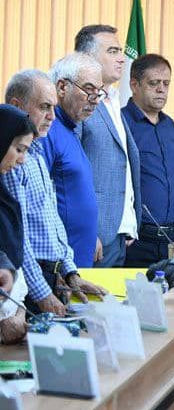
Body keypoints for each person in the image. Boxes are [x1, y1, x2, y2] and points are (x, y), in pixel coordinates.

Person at [3, 70, 106, 314]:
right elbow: (19, 239)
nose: (51, 116)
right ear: (17, 106)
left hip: (53, 276)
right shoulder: (12, 161)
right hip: (31, 282)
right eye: (44, 107)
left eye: (53, 108)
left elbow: (53, 222)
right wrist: (43, 295)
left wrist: (70, 272)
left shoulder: (36, 153)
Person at [75, 25, 142, 268]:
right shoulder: (78, 103)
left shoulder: (113, 99)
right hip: (92, 236)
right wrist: (86, 230)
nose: (122, 58)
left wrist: (129, 221)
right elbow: (69, 173)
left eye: (120, 51)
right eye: (112, 51)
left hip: (120, 233)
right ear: (88, 58)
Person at [121, 54, 174, 266]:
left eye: (166, 83)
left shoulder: (170, 126)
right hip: (136, 241)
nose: (161, 89)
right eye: (153, 83)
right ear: (134, 85)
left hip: (171, 240)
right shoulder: (120, 123)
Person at [39, 54, 103, 268]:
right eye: (89, 89)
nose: (95, 99)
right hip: (58, 265)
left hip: (78, 259)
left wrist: (91, 234)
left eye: (99, 92)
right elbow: (38, 203)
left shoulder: (71, 129)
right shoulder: (48, 130)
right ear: (62, 87)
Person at [0, 105, 37, 344]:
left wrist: (19, 310)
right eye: (19, 149)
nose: (22, 160)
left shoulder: (4, 195)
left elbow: (14, 263)